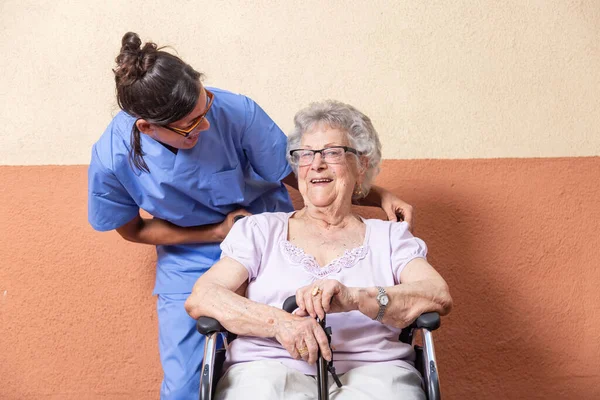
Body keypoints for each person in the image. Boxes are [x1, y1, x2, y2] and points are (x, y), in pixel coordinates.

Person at [88, 33, 415, 399]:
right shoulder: (111, 158)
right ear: (148, 128)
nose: (207, 124)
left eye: (205, 105)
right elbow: (132, 229)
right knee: (185, 387)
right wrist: (216, 232)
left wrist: (372, 193)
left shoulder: (235, 112)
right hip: (190, 258)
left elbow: (302, 171)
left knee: (295, 354)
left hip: (269, 244)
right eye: (191, 125)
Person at [185, 100, 453, 400]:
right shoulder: (260, 230)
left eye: (332, 152)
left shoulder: (389, 236)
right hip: (266, 370)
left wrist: (356, 298)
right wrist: (281, 324)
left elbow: (437, 293)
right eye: (306, 154)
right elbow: (204, 295)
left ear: (361, 164)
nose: (316, 164)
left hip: (375, 371)